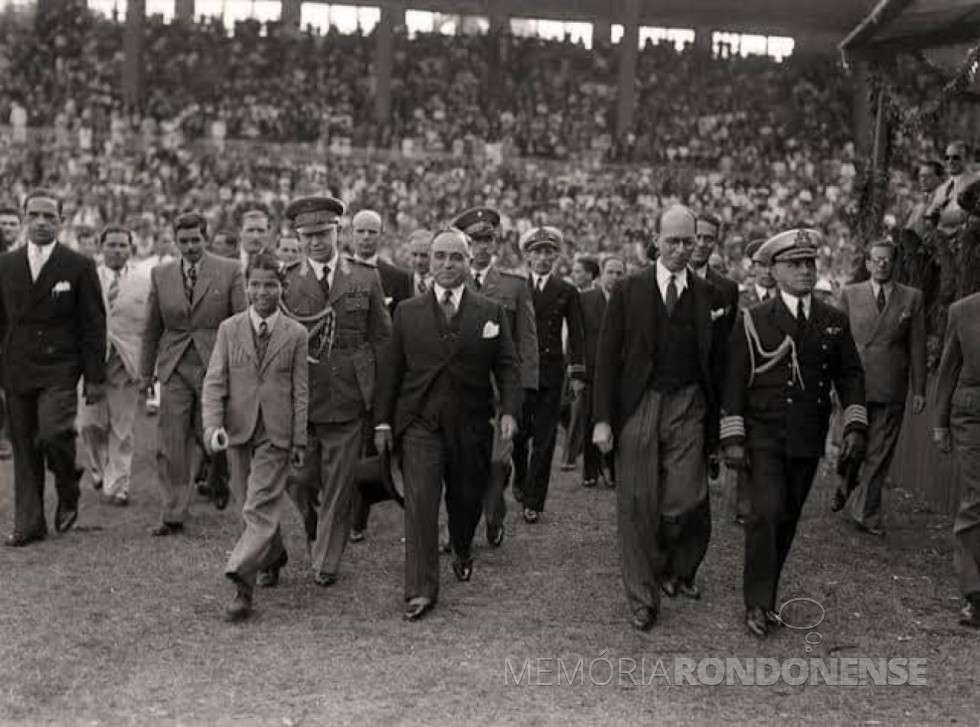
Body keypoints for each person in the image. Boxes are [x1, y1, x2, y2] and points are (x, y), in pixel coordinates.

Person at [720, 228, 868, 638]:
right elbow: (733, 381)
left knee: (786, 519)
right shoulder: (753, 319)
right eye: (795, 264)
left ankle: (766, 594)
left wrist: (855, 422)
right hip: (762, 434)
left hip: (806, 436)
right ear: (775, 270)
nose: (805, 271)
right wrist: (732, 436)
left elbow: (850, 375)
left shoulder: (832, 322)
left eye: (810, 263)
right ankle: (758, 604)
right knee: (764, 514)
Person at [373, 228, 522, 621]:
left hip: (471, 425)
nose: (445, 265)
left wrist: (508, 411)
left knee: (466, 499)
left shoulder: (490, 312)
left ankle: (462, 544)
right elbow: (391, 371)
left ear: (469, 262)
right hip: (421, 424)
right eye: (438, 257)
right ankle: (420, 589)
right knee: (420, 503)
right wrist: (383, 423)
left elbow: (507, 366)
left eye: (455, 257)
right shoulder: (407, 312)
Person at [593, 206, 725, 632]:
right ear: (656, 241)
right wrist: (602, 420)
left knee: (684, 498)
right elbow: (607, 359)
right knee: (635, 505)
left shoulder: (709, 296)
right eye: (673, 242)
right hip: (639, 405)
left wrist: (721, 425)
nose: (682, 250)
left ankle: (668, 565)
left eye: (689, 242)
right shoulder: (629, 290)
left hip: (689, 405)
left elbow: (718, 364)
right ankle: (642, 598)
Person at [263, 196, 391, 588]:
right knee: (299, 481)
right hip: (302, 396)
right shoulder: (287, 279)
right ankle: (314, 524)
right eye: (308, 236)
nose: (316, 242)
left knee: (340, 481)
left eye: (323, 233)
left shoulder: (365, 277)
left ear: (338, 231)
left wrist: (381, 401)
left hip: (350, 393)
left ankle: (327, 560)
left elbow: (382, 340)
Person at [202, 252, 309, 622]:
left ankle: (241, 584)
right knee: (248, 502)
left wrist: (299, 440)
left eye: (271, 285)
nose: (262, 292)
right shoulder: (229, 329)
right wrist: (213, 425)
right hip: (237, 431)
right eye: (256, 284)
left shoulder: (296, 334)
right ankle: (274, 553)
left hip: (276, 435)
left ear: (284, 287)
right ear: (246, 286)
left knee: (257, 506)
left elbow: (300, 391)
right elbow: (215, 381)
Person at [0, 189, 107, 547]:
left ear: (62, 221)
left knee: (53, 434)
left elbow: (93, 326)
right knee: (24, 447)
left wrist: (94, 379)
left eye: (50, 216)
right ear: (25, 218)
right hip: (17, 368)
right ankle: (29, 524)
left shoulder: (78, 266)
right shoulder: (6, 264)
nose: (42, 222)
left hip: (60, 368)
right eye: (35, 215)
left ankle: (67, 482)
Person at [140, 212, 246, 536]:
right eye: (183, 241)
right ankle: (173, 513)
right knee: (170, 441)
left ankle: (220, 478)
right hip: (173, 367)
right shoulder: (161, 275)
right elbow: (151, 328)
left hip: (215, 365)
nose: (189, 247)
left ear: (206, 237)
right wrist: (146, 374)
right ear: (176, 241)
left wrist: (241, 370)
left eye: (195, 240)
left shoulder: (229, 271)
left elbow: (241, 322)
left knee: (211, 435)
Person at [453, 207, 538, 547]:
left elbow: (527, 340)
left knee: (497, 462)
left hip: (501, 391)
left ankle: (493, 514)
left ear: (496, 244)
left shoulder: (513, 286)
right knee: (461, 461)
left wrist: (524, 390)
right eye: (474, 241)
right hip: (462, 391)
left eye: (487, 239)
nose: (481, 247)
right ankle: (461, 527)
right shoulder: (450, 282)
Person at [835, 240, 926, 535]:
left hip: (891, 386)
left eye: (887, 260)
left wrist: (920, 390)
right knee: (852, 448)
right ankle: (846, 482)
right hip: (855, 385)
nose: (882, 264)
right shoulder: (850, 294)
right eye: (877, 259)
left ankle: (866, 513)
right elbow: (837, 341)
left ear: (894, 263)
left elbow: (917, 347)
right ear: (868, 262)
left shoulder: (912, 298)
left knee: (880, 453)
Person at [513, 226, 584, 524]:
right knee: (517, 436)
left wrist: (577, 372)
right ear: (527, 255)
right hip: (520, 372)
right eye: (537, 251)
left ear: (556, 255)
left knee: (544, 439)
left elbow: (578, 334)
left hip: (551, 372)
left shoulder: (566, 290)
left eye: (548, 252)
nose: (543, 258)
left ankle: (534, 500)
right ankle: (520, 477)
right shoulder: (516, 286)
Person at [78, 226, 150, 506]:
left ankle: (119, 483)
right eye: (112, 245)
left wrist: (147, 365)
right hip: (91, 363)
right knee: (89, 424)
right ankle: (99, 465)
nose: (118, 250)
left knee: (122, 426)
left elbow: (149, 326)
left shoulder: (144, 282)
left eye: (123, 245)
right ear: (101, 246)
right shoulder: (86, 276)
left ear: (131, 248)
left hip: (126, 362)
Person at [933, 291, 980, 628]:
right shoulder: (963, 311)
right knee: (977, 497)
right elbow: (948, 369)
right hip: (973, 416)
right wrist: (940, 423)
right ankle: (975, 595)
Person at [580, 255, 624, 488]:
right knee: (590, 420)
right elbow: (577, 337)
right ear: (602, 274)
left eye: (619, 273)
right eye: (611, 272)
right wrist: (576, 370)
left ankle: (612, 468)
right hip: (591, 370)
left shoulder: (628, 300)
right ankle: (590, 470)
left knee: (614, 419)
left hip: (618, 371)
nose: (615, 277)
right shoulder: (585, 299)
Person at [349, 209, 413, 314]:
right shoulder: (339, 273)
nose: (366, 237)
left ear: (381, 236)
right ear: (351, 234)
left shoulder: (400, 278)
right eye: (360, 231)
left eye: (372, 232)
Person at [691, 213, 739, 335]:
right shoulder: (668, 279)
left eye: (708, 239)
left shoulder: (728, 288)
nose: (701, 244)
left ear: (716, 243)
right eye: (697, 237)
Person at [927, 141, 977, 235]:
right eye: (947, 158)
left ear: (967, 159)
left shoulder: (976, 183)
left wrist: (942, 218)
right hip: (938, 240)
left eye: (955, 158)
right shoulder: (941, 190)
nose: (950, 161)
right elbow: (930, 216)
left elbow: (972, 214)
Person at [905, 159, 944, 239]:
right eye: (921, 176)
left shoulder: (945, 199)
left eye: (928, 176)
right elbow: (909, 229)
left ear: (940, 178)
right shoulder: (921, 203)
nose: (923, 180)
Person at [239, 203, 273, 272]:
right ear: (240, 232)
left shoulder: (278, 262)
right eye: (250, 230)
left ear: (268, 233)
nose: (256, 236)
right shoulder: (226, 260)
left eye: (261, 231)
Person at [407, 229, 433, 295]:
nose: (419, 261)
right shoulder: (402, 282)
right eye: (414, 254)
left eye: (424, 255)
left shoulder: (442, 284)